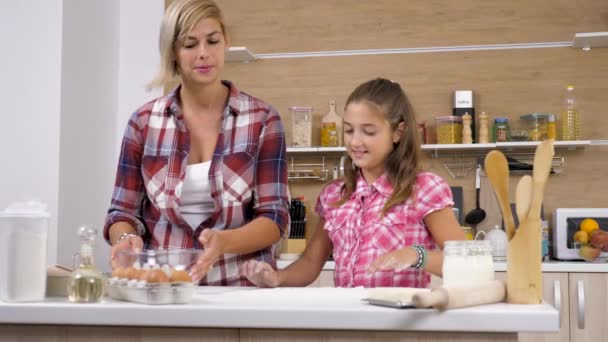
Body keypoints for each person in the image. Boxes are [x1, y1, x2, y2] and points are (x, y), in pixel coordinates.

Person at [103, 0, 289, 286]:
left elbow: (274, 218)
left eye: (212, 41)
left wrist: (223, 242)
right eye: (190, 45)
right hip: (163, 290)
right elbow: (121, 212)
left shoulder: (262, 120)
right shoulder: (143, 122)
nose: (203, 54)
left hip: (240, 291)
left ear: (226, 41)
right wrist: (126, 239)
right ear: (173, 53)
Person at [241, 78, 465, 288]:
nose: (355, 141)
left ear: (398, 132)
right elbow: (310, 263)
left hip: (400, 324)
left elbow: (464, 262)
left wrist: (417, 255)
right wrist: (276, 277)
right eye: (348, 130)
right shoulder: (334, 195)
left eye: (368, 131)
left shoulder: (423, 189)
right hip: (348, 322)